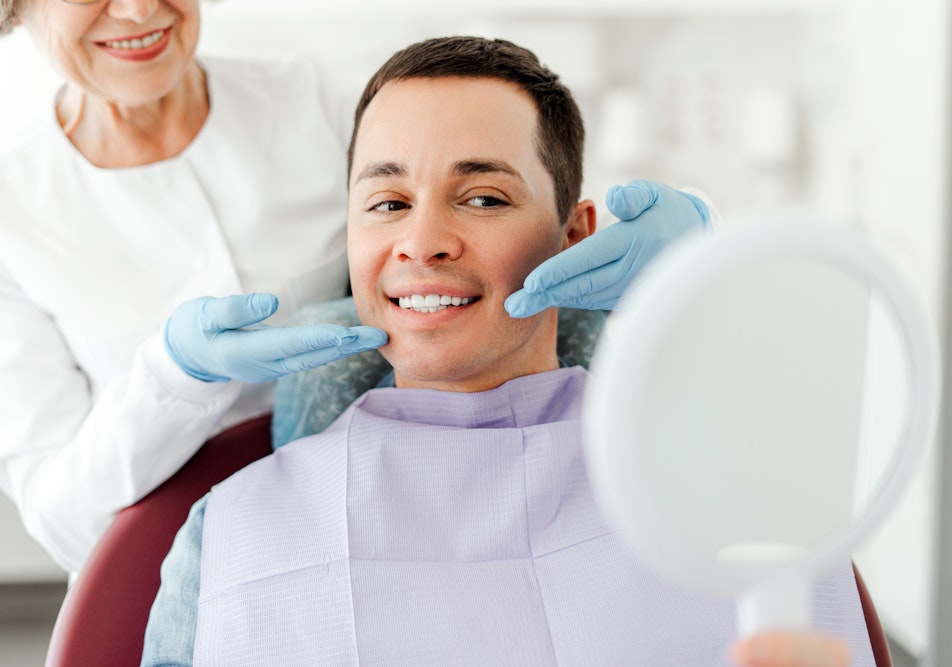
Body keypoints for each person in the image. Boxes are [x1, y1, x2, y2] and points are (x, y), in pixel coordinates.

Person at [141, 36, 870, 667]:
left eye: (483, 197)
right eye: (388, 203)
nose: (422, 240)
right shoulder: (228, 534)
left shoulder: (740, 506)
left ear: (575, 235)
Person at [0, 1, 709, 574]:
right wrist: (175, 377)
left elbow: (498, 203)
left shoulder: (308, 101)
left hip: (422, 509)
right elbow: (64, 517)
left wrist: (694, 245)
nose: (144, 10)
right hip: (208, 568)